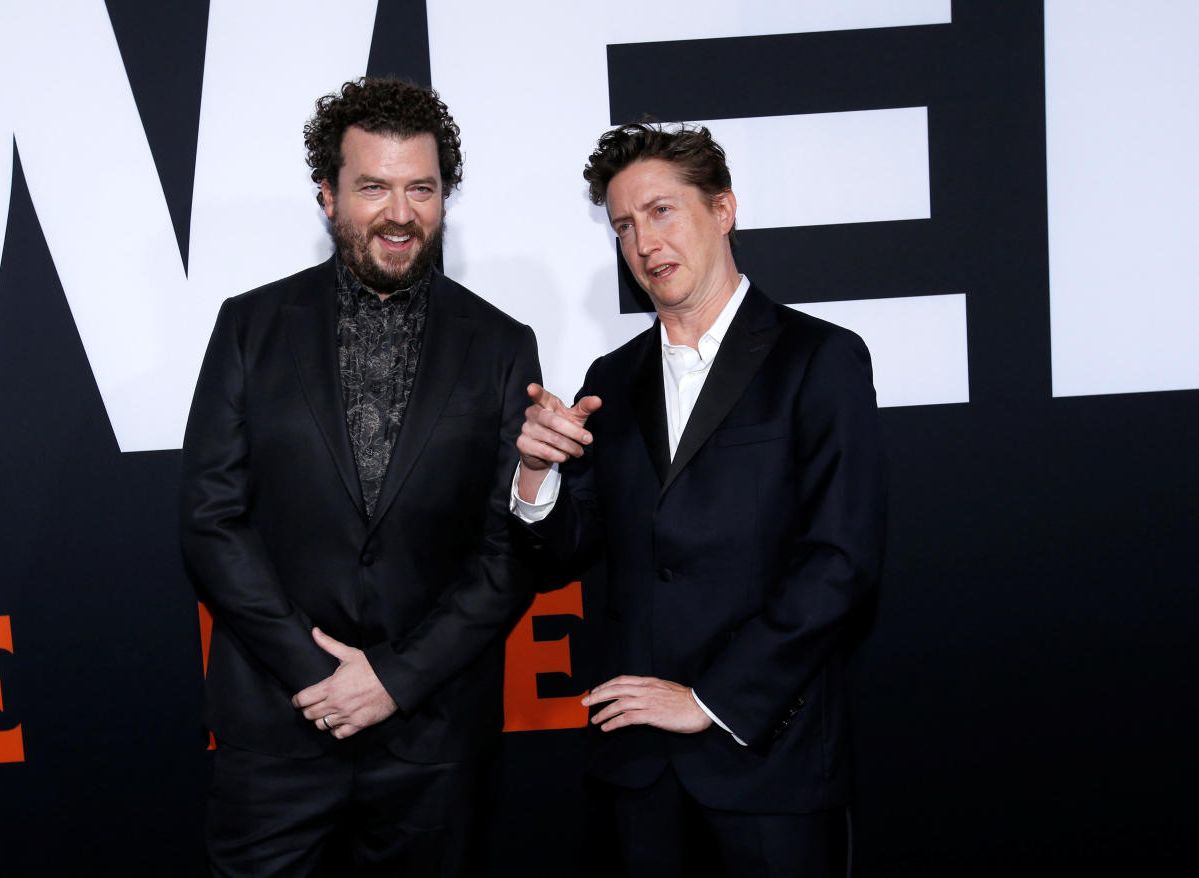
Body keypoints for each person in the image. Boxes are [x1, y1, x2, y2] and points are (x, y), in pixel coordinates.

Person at [180, 77, 540, 876]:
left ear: (445, 197)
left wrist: (393, 680)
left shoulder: (502, 344)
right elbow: (211, 519)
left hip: (433, 736)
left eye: (421, 187)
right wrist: (324, 680)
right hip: (277, 727)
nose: (400, 212)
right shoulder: (250, 326)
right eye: (373, 186)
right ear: (328, 195)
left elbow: (507, 549)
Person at [512, 122, 887, 877]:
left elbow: (841, 562)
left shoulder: (818, 359)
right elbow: (566, 552)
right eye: (623, 224)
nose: (643, 242)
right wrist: (535, 478)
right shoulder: (609, 379)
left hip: (767, 756)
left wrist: (708, 699)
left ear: (723, 210)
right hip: (636, 770)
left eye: (660, 211)